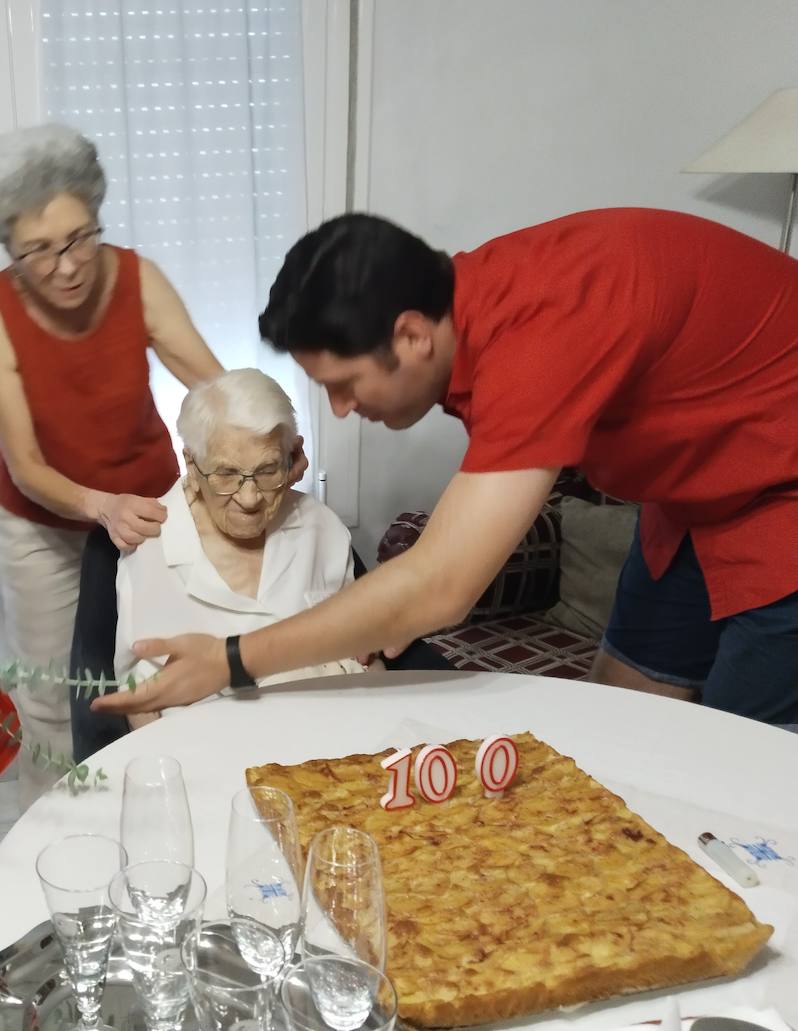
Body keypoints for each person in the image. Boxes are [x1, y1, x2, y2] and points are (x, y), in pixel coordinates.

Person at [92, 208, 798, 727]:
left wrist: (232, 658)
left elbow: (441, 585)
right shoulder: (469, 303)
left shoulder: (540, 335)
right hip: (688, 501)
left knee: (736, 764)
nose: (338, 410)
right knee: (617, 722)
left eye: (344, 384)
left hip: (780, 497)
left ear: (411, 335)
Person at [0, 123, 229, 804]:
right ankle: (56, 825)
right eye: (38, 251)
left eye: (80, 237)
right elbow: (25, 464)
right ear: (7, 247)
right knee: (54, 689)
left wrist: (260, 431)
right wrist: (98, 506)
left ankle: (163, 807)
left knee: (154, 668)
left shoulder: (138, 279)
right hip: (42, 522)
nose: (68, 265)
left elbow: (210, 382)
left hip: (147, 505)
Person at [91, 369, 366, 749]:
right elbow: (143, 699)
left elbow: (362, 658)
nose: (250, 498)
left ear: (292, 456)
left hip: (326, 748)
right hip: (206, 753)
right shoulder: (153, 545)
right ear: (191, 463)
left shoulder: (322, 528)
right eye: (227, 474)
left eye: (268, 470)